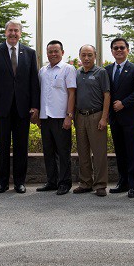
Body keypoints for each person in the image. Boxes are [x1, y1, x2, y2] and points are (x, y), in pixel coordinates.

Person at [0, 20, 40, 194]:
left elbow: (33, 81)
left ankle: (19, 182)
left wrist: (35, 106)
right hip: (1, 108)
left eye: (16, 30)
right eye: (10, 30)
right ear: (5, 32)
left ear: (20, 33)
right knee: (2, 146)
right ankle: (2, 182)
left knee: (21, 147)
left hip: (22, 109)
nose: (13, 33)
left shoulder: (30, 53)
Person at [105, 38, 134, 198]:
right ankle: (123, 182)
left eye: (122, 47)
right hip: (114, 118)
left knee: (132, 152)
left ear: (128, 50)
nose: (119, 50)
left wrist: (124, 103)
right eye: (116, 48)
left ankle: (133, 185)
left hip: (129, 117)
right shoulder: (107, 70)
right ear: (112, 51)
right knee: (119, 152)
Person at [36, 40, 77, 195]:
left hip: (61, 116)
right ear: (47, 53)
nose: (53, 54)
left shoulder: (68, 69)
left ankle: (65, 182)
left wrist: (69, 116)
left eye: (56, 51)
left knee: (63, 151)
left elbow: (72, 93)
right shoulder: (42, 71)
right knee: (48, 151)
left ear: (62, 52)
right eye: (50, 51)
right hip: (45, 117)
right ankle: (51, 181)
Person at [73, 45, 110, 197]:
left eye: (89, 55)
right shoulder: (77, 73)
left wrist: (104, 118)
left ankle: (100, 184)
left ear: (95, 56)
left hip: (96, 116)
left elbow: (107, 95)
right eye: (83, 55)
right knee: (82, 152)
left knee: (99, 152)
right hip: (80, 116)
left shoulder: (101, 72)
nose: (86, 58)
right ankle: (85, 183)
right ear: (79, 56)